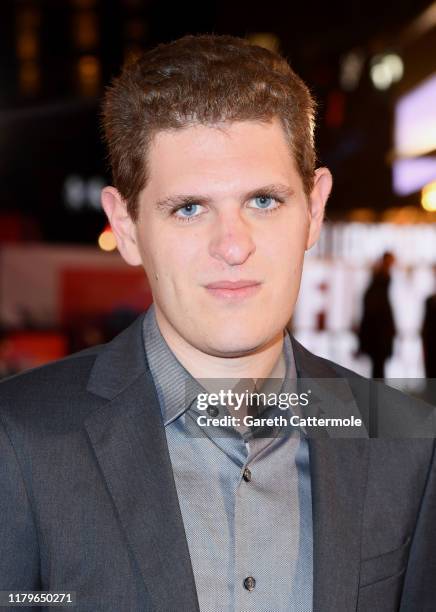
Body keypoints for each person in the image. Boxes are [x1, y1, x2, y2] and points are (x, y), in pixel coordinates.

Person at [0, 34, 435, 612]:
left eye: (262, 201)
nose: (232, 246)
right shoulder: (19, 440)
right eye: (189, 208)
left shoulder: (406, 442)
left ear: (315, 208)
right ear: (126, 227)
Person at [357, 251, 396, 379]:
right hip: (379, 332)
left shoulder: (377, 283)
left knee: (378, 367)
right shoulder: (380, 283)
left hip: (379, 331)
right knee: (378, 367)